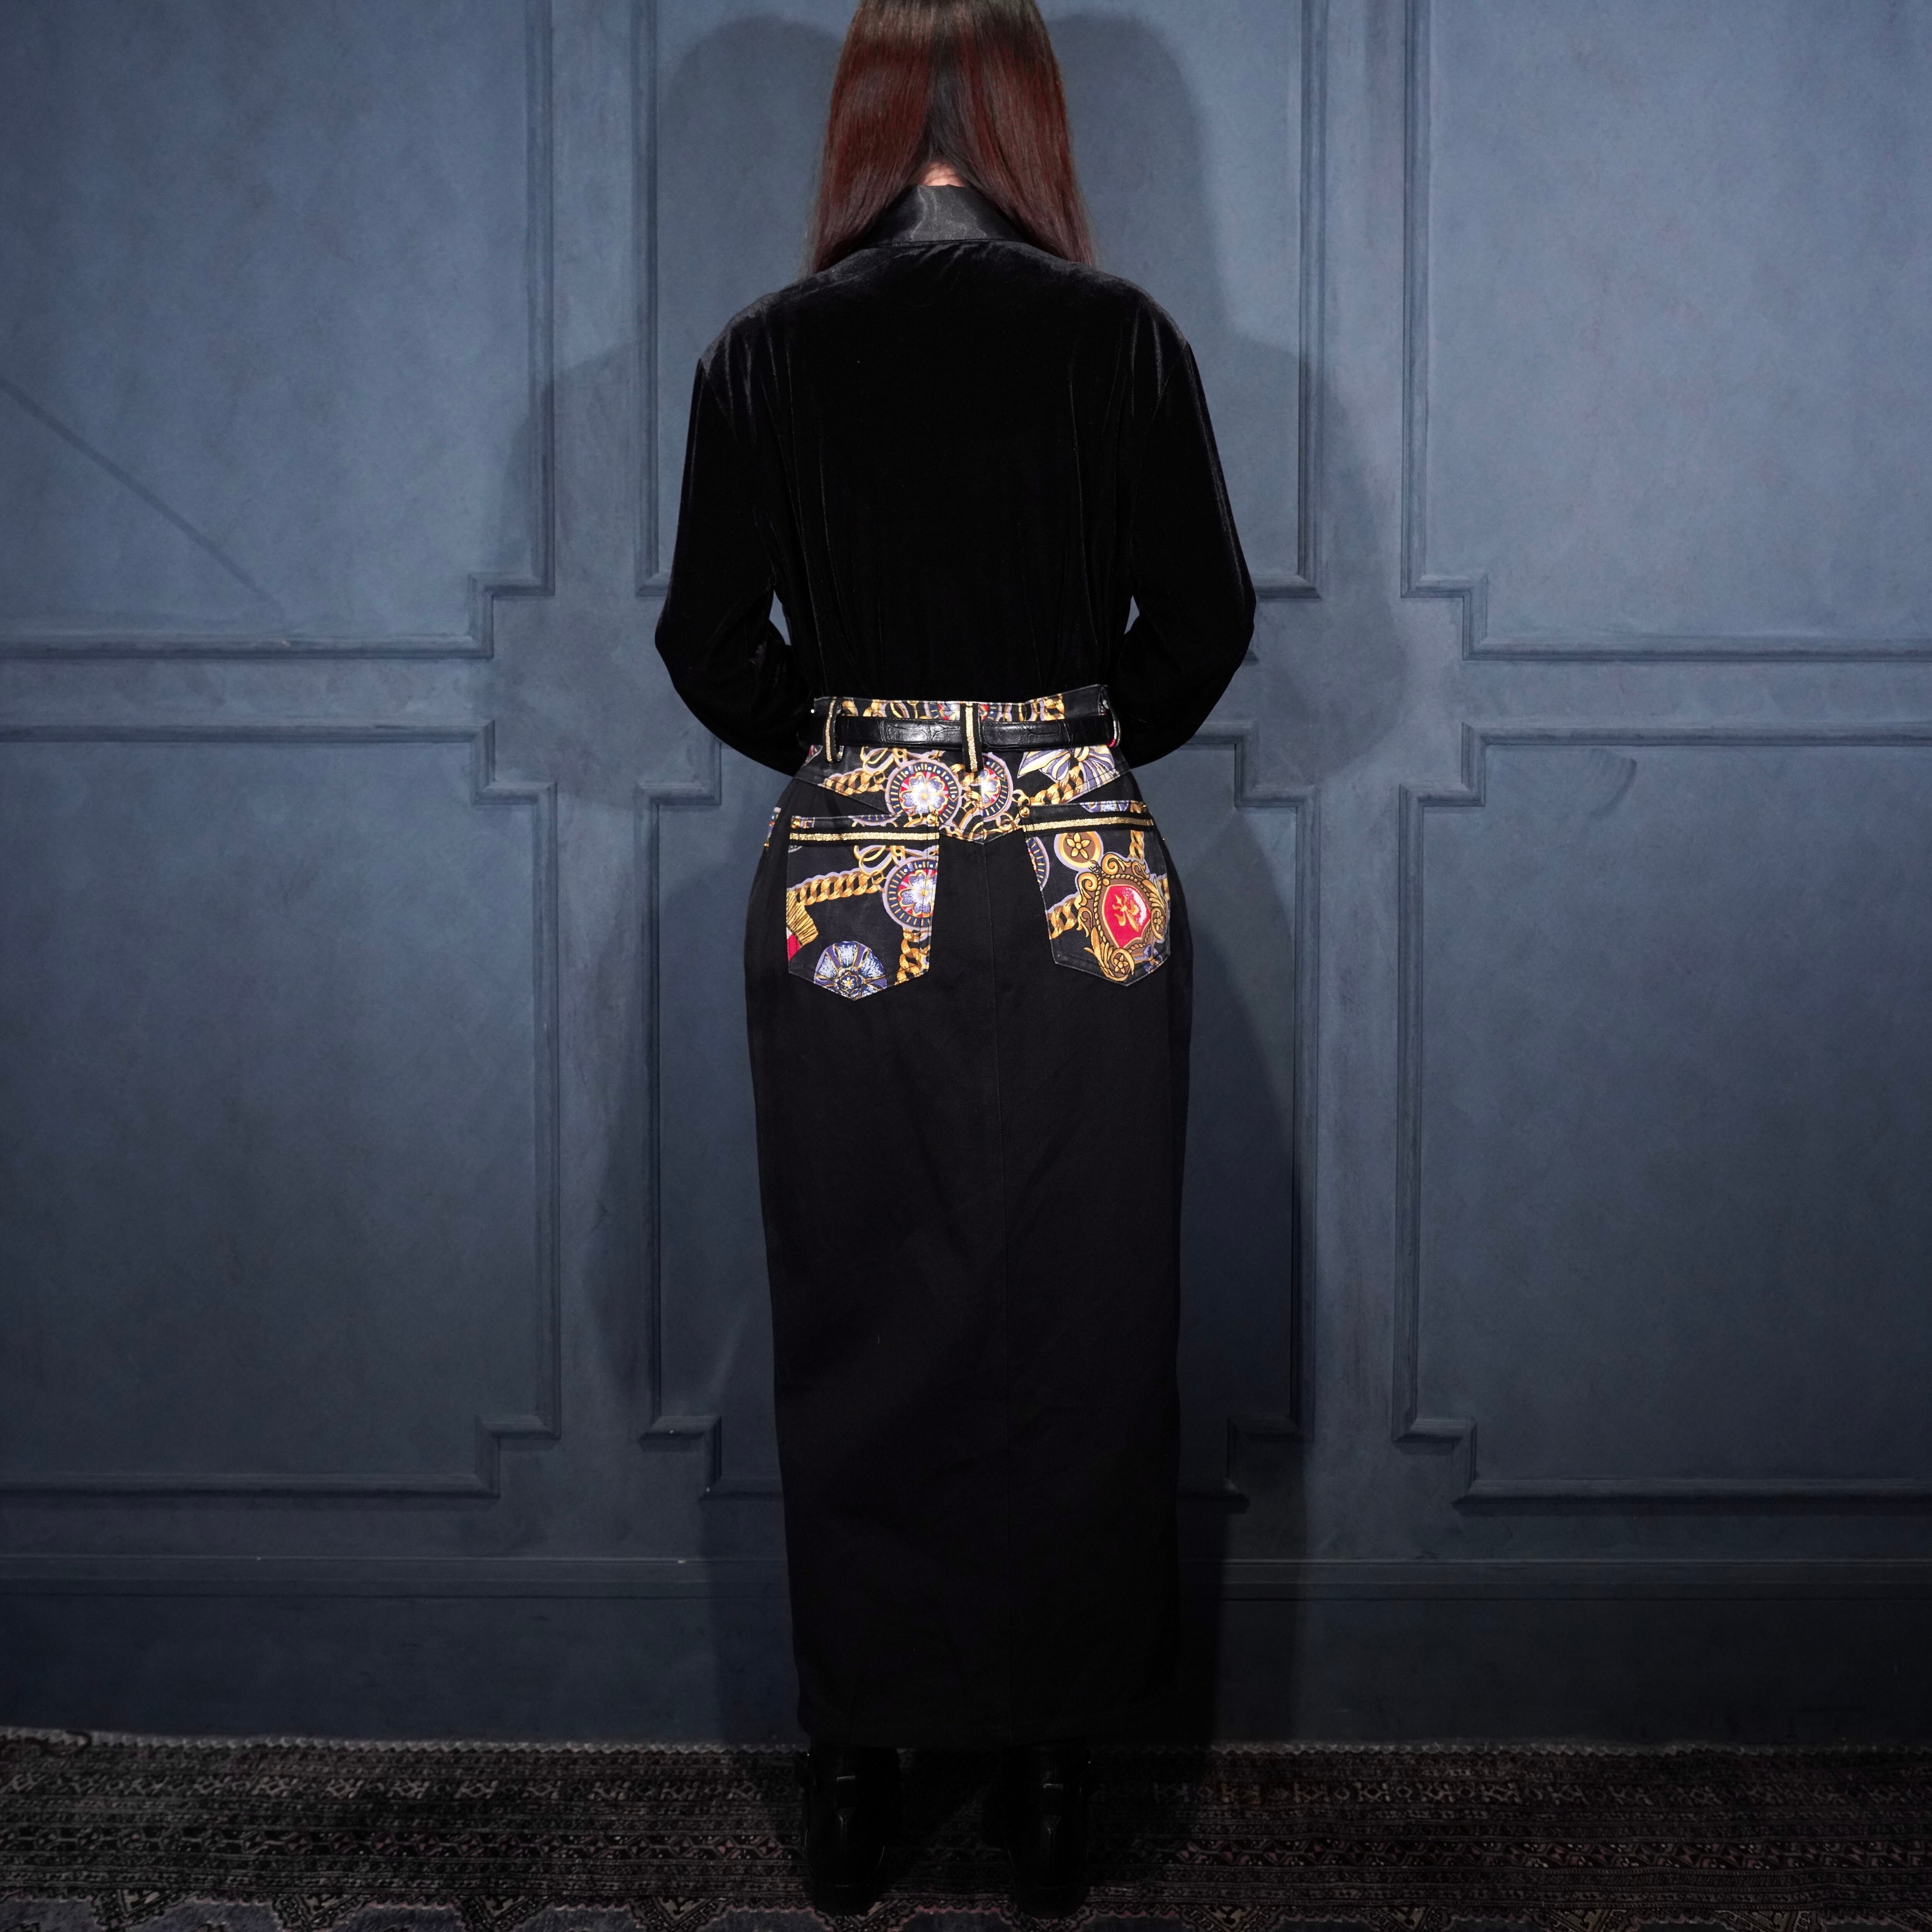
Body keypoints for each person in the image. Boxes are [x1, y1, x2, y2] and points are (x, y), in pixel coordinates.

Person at [654, 0, 1253, 1911]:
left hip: (858, 856)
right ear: (1027, 116)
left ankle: (856, 1770)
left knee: (862, 1300)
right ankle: (1056, 1780)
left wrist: (865, 766)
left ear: (860, 116)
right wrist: (1057, 759)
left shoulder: (763, 351)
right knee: (1085, 1310)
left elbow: (702, 641)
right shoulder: (1120, 338)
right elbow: (1206, 620)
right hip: (1082, 863)